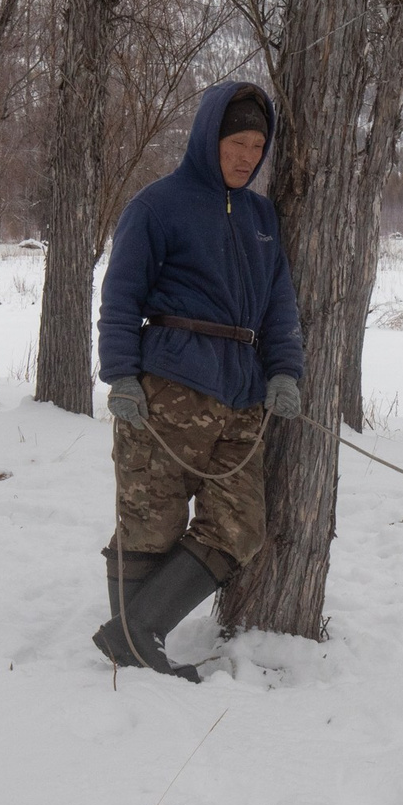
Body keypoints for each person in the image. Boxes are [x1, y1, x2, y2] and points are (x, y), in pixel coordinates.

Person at [90, 81, 303, 679]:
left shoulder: (263, 218)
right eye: (235, 141)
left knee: (239, 525)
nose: (246, 156)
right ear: (209, 138)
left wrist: (285, 371)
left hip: (243, 400)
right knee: (150, 519)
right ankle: (139, 648)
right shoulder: (158, 205)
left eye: (257, 145)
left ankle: (132, 637)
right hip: (166, 390)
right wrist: (122, 377)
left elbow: (279, 305)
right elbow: (120, 297)